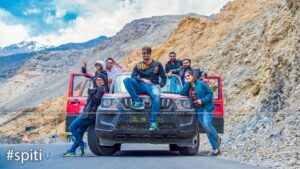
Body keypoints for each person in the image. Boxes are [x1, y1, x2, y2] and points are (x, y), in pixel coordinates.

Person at [61, 74, 108, 157]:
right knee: (80, 132)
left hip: (88, 115)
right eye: (97, 80)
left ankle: (82, 144)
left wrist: (91, 92)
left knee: (72, 127)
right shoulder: (100, 88)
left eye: (100, 79)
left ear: (104, 81)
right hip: (90, 114)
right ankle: (72, 151)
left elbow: (96, 100)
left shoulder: (101, 88)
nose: (98, 81)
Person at [123, 46, 167, 131]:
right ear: (142, 54)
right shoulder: (138, 65)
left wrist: (160, 85)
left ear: (150, 54)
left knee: (157, 95)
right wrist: (143, 79)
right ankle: (137, 101)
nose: (145, 55)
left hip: (153, 85)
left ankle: (153, 122)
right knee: (126, 80)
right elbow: (133, 76)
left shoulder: (157, 64)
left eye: (147, 53)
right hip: (141, 84)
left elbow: (164, 77)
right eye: (144, 53)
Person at [180, 70, 221, 156]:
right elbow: (182, 94)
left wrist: (202, 101)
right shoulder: (187, 86)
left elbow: (210, 93)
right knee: (206, 129)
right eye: (185, 77)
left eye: (188, 76)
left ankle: (217, 137)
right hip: (197, 110)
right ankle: (216, 148)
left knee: (206, 124)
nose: (187, 77)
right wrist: (187, 84)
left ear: (193, 76)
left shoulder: (201, 84)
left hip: (206, 107)